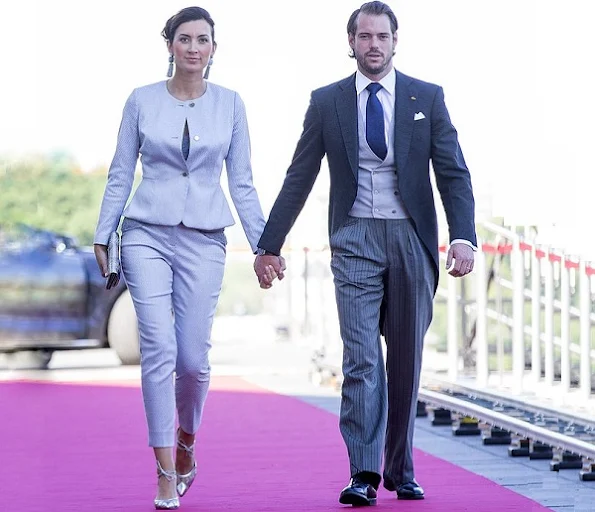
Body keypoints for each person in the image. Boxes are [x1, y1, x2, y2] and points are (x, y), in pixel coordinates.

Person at [254, 1, 476, 506]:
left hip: (410, 237)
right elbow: (300, 175)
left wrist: (462, 236)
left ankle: (402, 468)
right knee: (361, 360)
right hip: (354, 236)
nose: (373, 44)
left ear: (396, 41)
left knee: (405, 361)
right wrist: (270, 243)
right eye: (364, 36)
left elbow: (453, 172)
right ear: (350, 43)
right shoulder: (327, 101)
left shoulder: (427, 97)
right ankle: (363, 473)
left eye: (382, 36)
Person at [93, 6, 280, 510]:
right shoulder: (141, 101)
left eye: (202, 40)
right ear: (170, 46)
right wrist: (103, 233)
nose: (193, 48)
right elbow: (119, 172)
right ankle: (162, 473)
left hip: (204, 238)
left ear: (213, 50)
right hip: (145, 234)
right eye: (184, 39)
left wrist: (266, 244)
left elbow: (241, 182)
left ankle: (187, 443)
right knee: (158, 348)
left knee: (193, 362)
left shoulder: (231, 105)